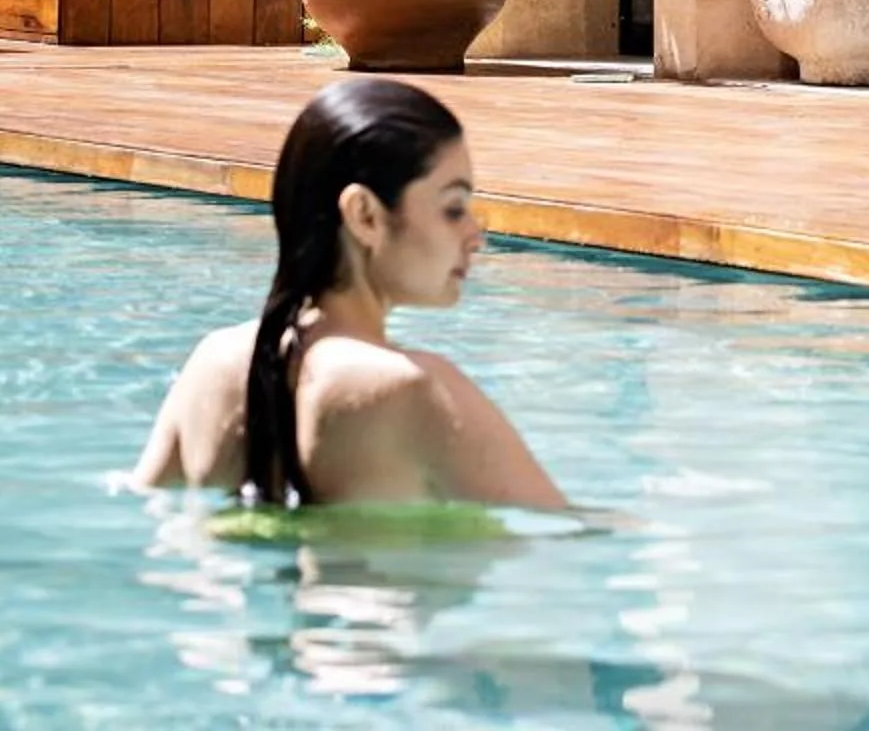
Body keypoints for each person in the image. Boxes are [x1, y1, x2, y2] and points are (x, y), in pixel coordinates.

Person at [133, 75, 566, 510]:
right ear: (365, 216)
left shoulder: (215, 362)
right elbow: (572, 539)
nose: (475, 235)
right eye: (453, 209)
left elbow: (143, 511)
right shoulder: (414, 390)